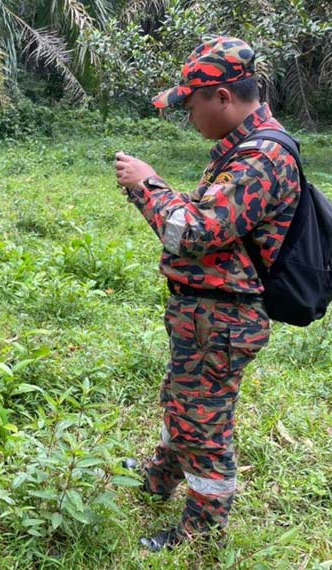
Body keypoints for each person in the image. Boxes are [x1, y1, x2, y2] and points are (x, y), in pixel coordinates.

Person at [114, 37, 300, 551]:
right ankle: (158, 479)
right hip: (204, 313)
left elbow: (192, 232)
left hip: (224, 319)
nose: (189, 116)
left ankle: (201, 534)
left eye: (191, 104)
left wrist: (148, 183)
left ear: (221, 96)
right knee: (183, 402)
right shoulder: (241, 148)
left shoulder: (260, 159)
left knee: (205, 426)